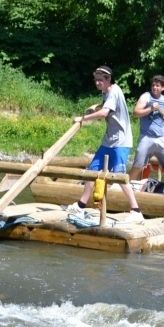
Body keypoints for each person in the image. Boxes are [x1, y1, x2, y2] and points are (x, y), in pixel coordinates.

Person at [66, 66, 144, 222]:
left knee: (119, 176)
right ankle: (80, 206)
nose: (97, 83)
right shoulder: (106, 92)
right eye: (96, 80)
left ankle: (136, 211)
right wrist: (95, 108)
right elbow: (105, 108)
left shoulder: (114, 91)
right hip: (108, 141)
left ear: (109, 80)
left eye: (100, 80)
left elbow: (104, 113)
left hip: (121, 141)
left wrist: (83, 119)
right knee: (92, 171)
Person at [129, 75, 164, 188]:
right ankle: (126, 187)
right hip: (146, 137)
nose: (155, 87)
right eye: (153, 85)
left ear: (163, 87)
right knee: (137, 166)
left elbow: (160, 117)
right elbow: (136, 113)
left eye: (157, 86)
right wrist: (151, 108)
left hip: (161, 137)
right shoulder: (146, 97)